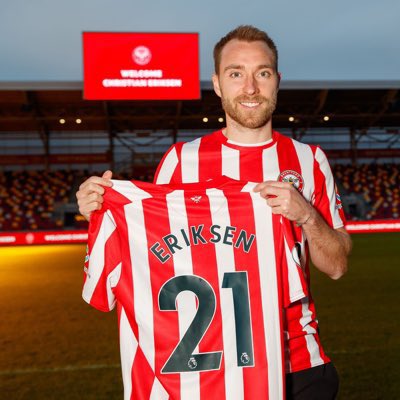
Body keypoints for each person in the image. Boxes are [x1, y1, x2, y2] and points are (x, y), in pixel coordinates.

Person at [76, 25, 352, 400]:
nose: (250, 87)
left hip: (298, 365)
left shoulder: (310, 161)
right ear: (218, 84)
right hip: (220, 370)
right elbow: (157, 256)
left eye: (263, 73)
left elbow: (336, 266)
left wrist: (306, 215)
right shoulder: (181, 160)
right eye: (236, 73)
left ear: (277, 81)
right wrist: (100, 208)